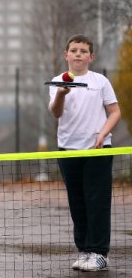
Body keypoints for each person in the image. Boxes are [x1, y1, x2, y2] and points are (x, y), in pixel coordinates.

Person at [48, 34, 120, 272]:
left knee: (97, 202)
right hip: (68, 151)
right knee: (77, 203)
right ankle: (85, 250)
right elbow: (56, 113)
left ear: (91, 56)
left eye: (83, 50)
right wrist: (60, 93)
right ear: (66, 55)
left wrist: (102, 134)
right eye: (74, 50)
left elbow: (115, 112)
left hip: (97, 151)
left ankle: (99, 253)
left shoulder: (100, 81)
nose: (78, 54)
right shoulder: (58, 81)